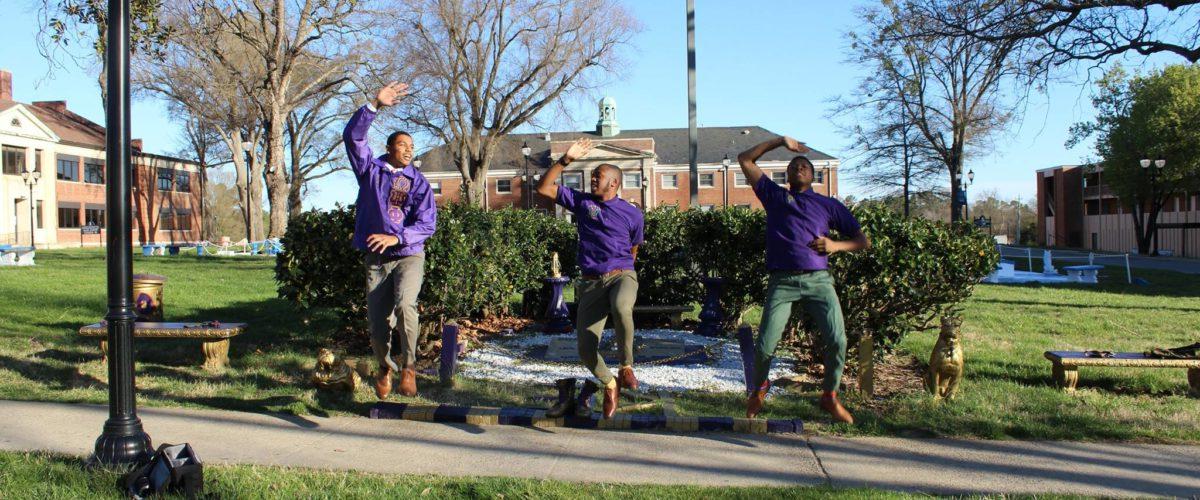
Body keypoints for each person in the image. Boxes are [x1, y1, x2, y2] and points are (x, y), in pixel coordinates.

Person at [737, 136, 870, 423]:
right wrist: (779, 141)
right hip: (782, 282)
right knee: (765, 346)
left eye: (804, 166)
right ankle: (759, 389)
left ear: (813, 176)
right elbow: (745, 159)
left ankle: (829, 396)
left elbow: (862, 241)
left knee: (838, 340)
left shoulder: (828, 205)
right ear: (786, 175)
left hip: (819, 281)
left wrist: (835, 246)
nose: (799, 167)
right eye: (794, 165)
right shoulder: (774, 196)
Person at [536, 138, 644, 419]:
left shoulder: (633, 214)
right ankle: (610, 383)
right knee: (585, 349)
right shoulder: (583, 202)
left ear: (614, 183)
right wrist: (565, 160)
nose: (593, 179)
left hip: (622, 275)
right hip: (590, 281)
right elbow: (544, 188)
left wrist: (622, 271)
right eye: (593, 175)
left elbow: (634, 248)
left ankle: (626, 366)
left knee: (622, 307)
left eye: (599, 176)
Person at [343, 82, 437, 399]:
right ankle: (385, 367)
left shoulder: (418, 182)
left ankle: (409, 367)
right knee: (378, 325)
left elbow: (427, 223)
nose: (409, 149)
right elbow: (353, 138)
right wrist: (374, 105)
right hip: (377, 258)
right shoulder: (370, 171)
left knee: (406, 305)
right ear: (389, 148)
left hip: (409, 254)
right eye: (402, 144)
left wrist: (396, 236)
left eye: (412, 145)